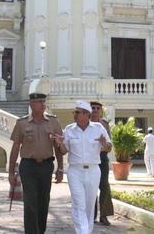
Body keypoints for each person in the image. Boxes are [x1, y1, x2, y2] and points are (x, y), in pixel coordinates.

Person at [8, 90, 65, 234]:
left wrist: (60, 169)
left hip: (46, 166)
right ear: (31, 104)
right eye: (39, 102)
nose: (43, 105)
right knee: (30, 203)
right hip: (28, 166)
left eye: (44, 102)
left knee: (44, 202)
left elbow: (58, 147)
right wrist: (11, 172)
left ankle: (40, 231)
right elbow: (15, 147)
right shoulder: (21, 123)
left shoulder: (53, 122)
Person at [55, 100, 111, 234]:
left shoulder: (98, 128)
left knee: (89, 205)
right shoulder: (69, 129)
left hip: (93, 170)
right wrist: (59, 144)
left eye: (78, 112)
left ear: (86, 114)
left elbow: (109, 147)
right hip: (75, 171)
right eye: (74, 112)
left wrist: (104, 145)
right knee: (78, 203)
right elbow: (64, 150)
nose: (74, 114)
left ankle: (87, 230)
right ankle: (83, 232)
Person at [90, 101, 114, 226]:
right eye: (93, 108)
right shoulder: (85, 123)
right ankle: (91, 215)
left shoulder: (104, 124)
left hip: (102, 158)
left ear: (101, 110)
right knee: (91, 187)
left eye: (97, 108)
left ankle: (104, 215)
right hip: (89, 159)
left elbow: (108, 145)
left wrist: (103, 146)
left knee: (104, 186)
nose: (95, 110)